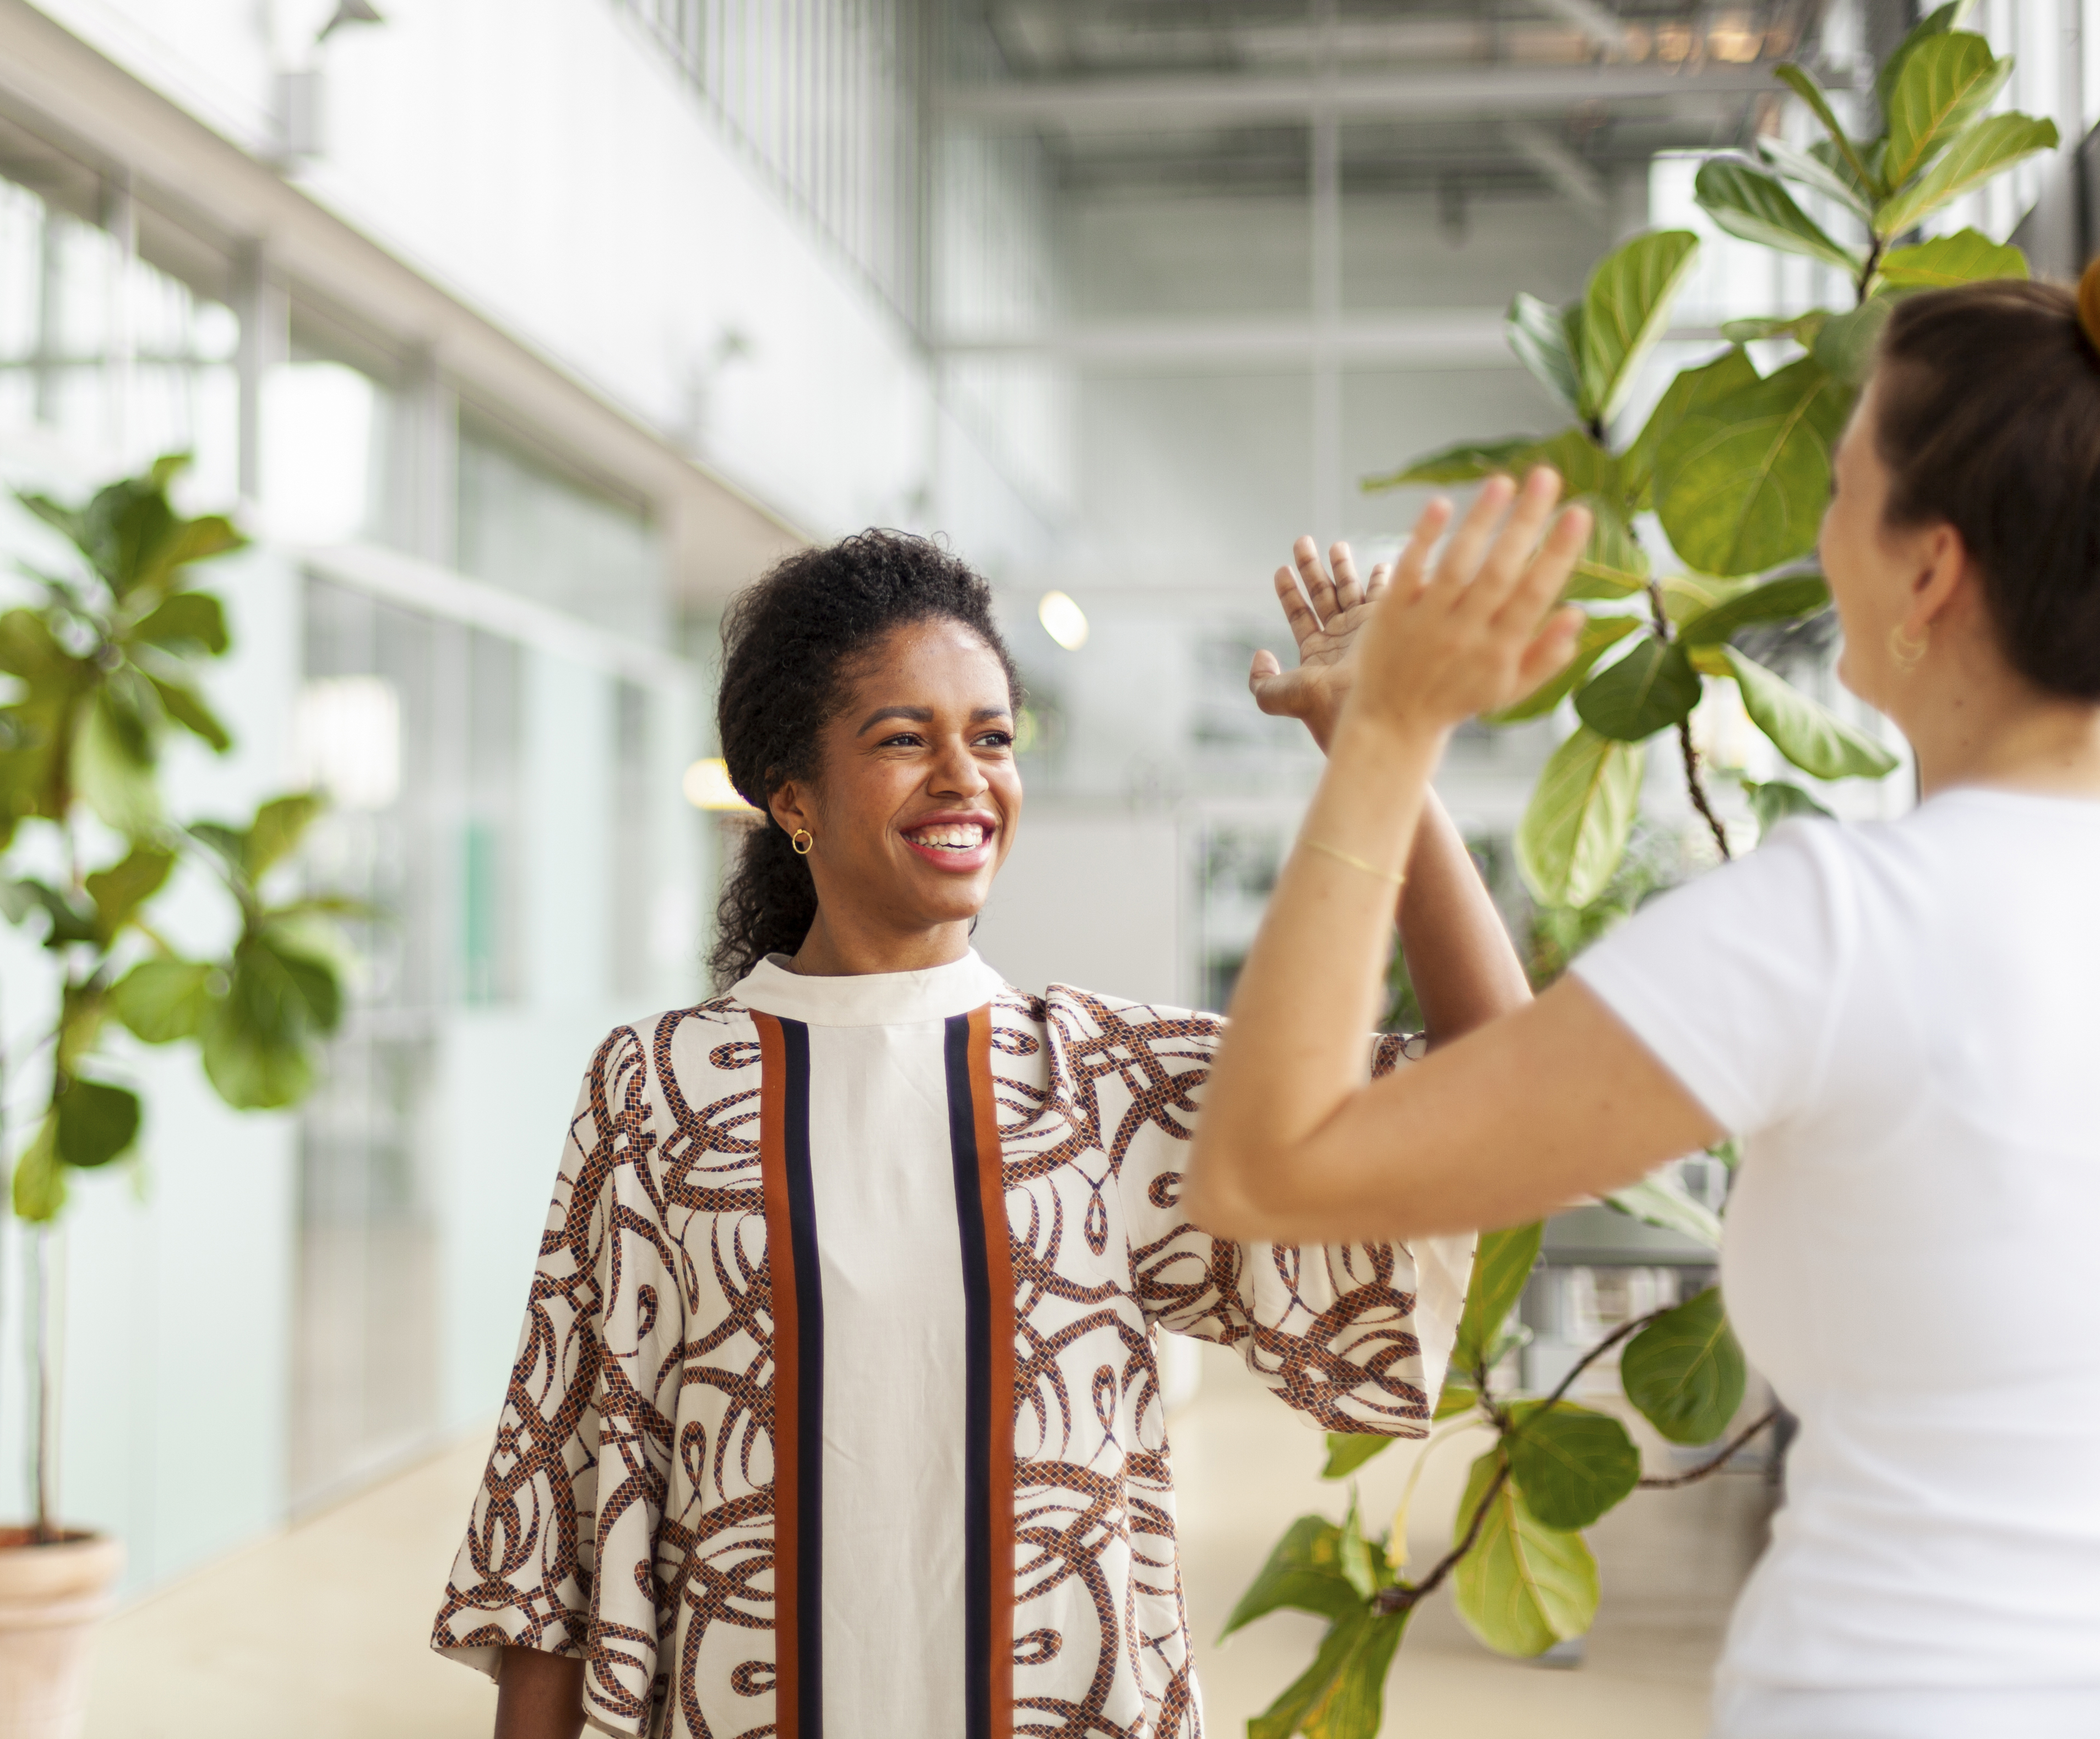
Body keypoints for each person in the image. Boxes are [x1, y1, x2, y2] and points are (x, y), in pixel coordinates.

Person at [1186, 273, 2100, 1739]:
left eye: (1842, 488)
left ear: (1931, 572)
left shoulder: (1845, 923)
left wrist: (1393, 736)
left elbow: (1264, 1168)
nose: (1813, 536)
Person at [430, 528, 1533, 1738]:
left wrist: (1382, 745)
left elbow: (1496, 1086)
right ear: (791, 796)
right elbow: (556, 1523)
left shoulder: (1104, 1084)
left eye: (994, 737)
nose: (966, 774)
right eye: (906, 738)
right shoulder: (658, 1091)